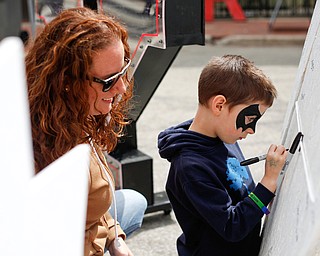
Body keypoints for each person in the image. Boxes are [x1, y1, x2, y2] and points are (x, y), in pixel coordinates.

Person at [25, 7, 147, 256]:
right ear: (66, 82)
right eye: (109, 80)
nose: (122, 88)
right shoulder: (35, 153)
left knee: (135, 200)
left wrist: (115, 237)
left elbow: (100, 209)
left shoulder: (72, 112)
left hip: (91, 227)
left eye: (124, 71)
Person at [157, 55, 288, 256]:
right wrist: (268, 183)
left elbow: (241, 191)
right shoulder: (191, 167)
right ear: (219, 105)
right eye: (250, 118)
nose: (251, 129)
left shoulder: (226, 137)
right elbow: (232, 226)